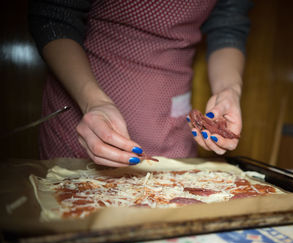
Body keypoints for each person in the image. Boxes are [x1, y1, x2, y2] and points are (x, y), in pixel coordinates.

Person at [28, 0, 252, 167]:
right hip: (85, 102)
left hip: (172, 118)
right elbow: (56, 16)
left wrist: (229, 91)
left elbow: (228, 27)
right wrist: (92, 102)